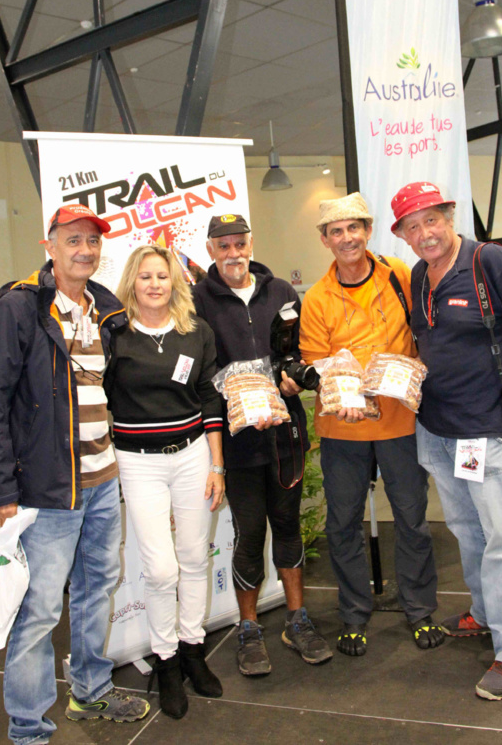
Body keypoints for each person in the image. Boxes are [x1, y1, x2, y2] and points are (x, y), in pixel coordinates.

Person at [0, 203, 149, 745]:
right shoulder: (20, 309)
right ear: (49, 245)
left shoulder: (106, 311)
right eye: (72, 240)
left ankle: (90, 691)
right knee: (41, 609)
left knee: (98, 589)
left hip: (101, 479)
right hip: (47, 491)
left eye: (92, 242)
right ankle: (28, 726)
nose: (84, 250)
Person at [391, 180, 502, 700]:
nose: (425, 233)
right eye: (413, 226)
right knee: (468, 530)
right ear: (402, 234)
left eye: (433, 219)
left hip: (485, 428)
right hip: (437, 428)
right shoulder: (420, 276)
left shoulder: (492, 262)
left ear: (450, 216)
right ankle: (487, 613)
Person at [299, 192, 443, 656]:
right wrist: (341, 396)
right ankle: (354, 614)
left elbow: (425, 332)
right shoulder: (318, 298)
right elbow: (315, 362)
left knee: (413, 520)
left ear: (369, 230)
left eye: (354, 228)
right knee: (342, 524)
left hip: (401, 424)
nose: (347, 239)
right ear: (325, 240)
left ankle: (420, 610)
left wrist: (414, 372)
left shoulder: (401, 275)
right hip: (344, 430)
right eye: (336, 231)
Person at [192, 214, 332, 677]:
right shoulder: (196, 300)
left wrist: (293, 381)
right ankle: (249, 627)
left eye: (240, 243)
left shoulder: (281, 293)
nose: (233, 253)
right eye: (223, 245)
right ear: (211, 250)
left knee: (288, 525)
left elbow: (296, 354)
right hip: (237, 441)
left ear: (251, 243)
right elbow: (199, 370)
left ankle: (297, 619)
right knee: (249, 534)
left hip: (285, 433)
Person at [104, 245, 225, 720]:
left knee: (195, 557)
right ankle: (167, 660)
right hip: (138, 462)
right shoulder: (114, 334)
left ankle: (193, 647)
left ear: (175, 281)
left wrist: (217, 465)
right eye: (146, 276)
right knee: (159, 570)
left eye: (163, 276)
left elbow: (209, 399)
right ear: (132, 281)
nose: (155, 284)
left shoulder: (196, 332)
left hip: (193, 456)